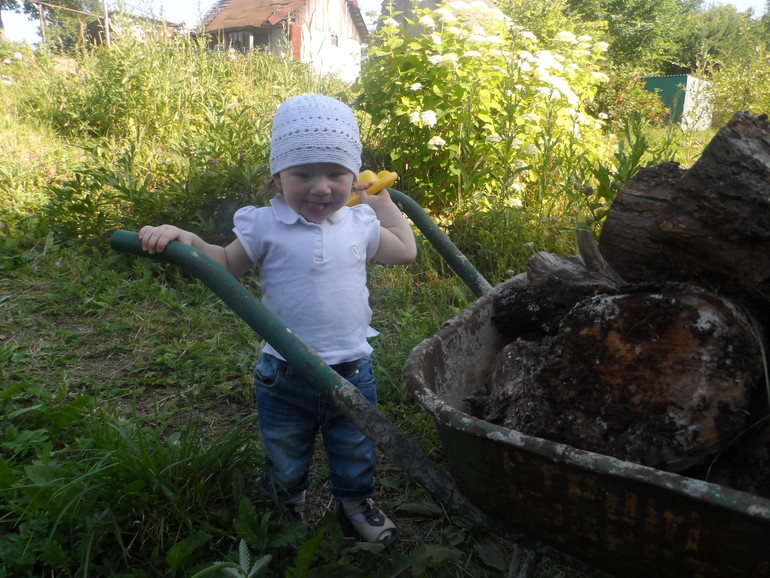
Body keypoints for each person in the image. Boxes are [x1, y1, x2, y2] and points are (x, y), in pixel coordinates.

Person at [138, 94, 417, 545]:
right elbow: (224, 264)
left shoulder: (360, 223)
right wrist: (186, 239)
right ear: (277, 177)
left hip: (351, 366)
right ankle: (287, 506)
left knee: (355, 447)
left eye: (336, 174)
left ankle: (355, 505)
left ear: (353, 178)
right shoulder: (264, 224)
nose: (321, 188)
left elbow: (405, 251)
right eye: (303, 174)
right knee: (285, 450)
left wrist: (381, 201)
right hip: (285, 372)